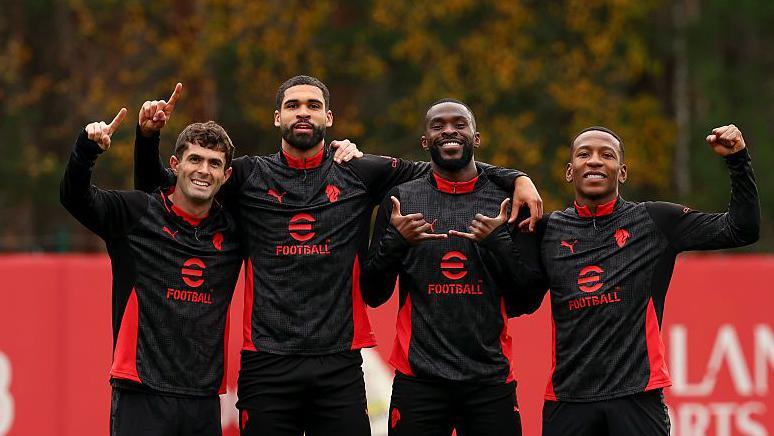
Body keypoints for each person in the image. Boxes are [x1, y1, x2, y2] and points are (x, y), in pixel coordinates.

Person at [134, 75, 543, 436]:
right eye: (293, 105)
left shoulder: (358, 170)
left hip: (340, 364)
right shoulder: (246, 175)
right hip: (266, 362)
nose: (303, 113)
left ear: (329, 119)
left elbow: (446, 161)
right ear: (277, 117)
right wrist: (147, 138)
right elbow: (167, 189)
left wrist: (516, 178)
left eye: (313, 106)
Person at [527, 124, 759, 436]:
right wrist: (514, 187)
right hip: (567, 399)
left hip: (637, 397)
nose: (594, 161)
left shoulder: (655, 221)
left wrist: (738, 161)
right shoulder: (545, 231)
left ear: (622, 172)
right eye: (584, 154)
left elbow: (741, 229)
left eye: (606, 155)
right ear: (570, 171)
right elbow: (519, 301)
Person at [359, 99, 543, 435]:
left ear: (476, 137)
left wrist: (498, 242)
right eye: (438, 125)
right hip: (419, 382)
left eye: (459, 124)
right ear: (425, 142)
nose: (449, 130)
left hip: (490, 381)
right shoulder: (401, 200)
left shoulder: (506, 201)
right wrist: (396, 243)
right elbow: (373, 294)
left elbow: (527, 300)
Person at [60, 99, 243, 435]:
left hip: (202, 399)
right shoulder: (137, 212)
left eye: (214, 164)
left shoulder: (234, 232)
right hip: (141, 391)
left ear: (226, 174)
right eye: (195, 160)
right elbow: (75, 198)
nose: (204, 170)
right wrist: (86, 149)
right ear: (175, 164)